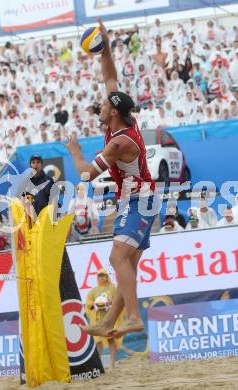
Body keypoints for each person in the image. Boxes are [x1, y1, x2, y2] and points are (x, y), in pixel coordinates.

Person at [65, 19, 158, 338]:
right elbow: (110, 75)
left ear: (114, 112)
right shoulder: (118, 124)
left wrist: (75, 152)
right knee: (127, 265)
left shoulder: (119, 142)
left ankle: (132, 316)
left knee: (117, 257)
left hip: (139, 200)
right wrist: (104, 47)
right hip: (139, 198)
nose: (100, 105)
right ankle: (110, 322)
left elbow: (86, 174)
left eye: (105, 104)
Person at [85, 269, 121, 369]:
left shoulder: (112, 288)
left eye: (103, 275)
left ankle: (112, 365)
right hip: (98, 320)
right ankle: (98, 366)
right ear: (97, 277)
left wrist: (109, 304)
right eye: (99, 276)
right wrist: (94, 304)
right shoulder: (93, 291)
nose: (101, 277)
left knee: (111, 339)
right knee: (98, 342)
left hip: (110, 319)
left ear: (107, 277)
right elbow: (88, 303)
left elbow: (118, 300)